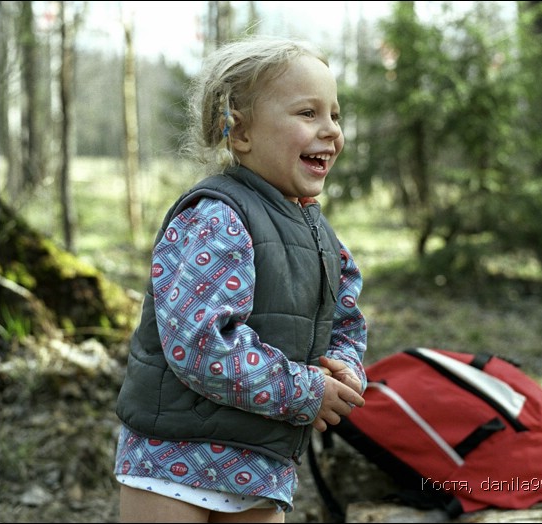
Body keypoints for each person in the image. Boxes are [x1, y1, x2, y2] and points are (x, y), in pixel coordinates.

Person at [113, 34, 368, 523]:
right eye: (308, 114)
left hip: (261, 463)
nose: (331, 130)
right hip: (176, 459)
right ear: (241, 131)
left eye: (335, 114)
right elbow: (201, 344)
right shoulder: (217, 216)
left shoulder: (321, 235)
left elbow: (346, 320)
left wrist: (344, 370)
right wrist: (305, 392)